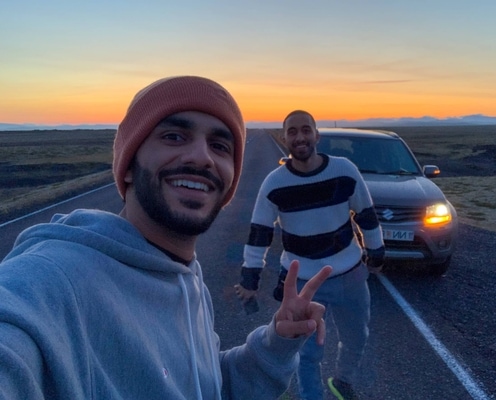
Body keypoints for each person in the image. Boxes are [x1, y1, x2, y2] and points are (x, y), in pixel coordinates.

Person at [0, 77, 333, 400]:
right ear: (128, 165)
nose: (202, 157)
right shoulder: (53, 279)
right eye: (174, 136)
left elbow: (205, 387)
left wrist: (276, 344)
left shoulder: (189, 280)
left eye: (219, 146)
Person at [234, 110, 385, 400]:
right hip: (304, 281)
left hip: (350, 274)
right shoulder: (274, 183)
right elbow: (259, 233)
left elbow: (366, 213)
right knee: (307, 351)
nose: (300, 137)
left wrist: (376, 251)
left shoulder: (344, 170)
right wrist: (250, 279)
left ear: (317, 135)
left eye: (306, 130)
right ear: (284, 138)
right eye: (292, 131)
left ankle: (343, 381)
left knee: (357, 337)